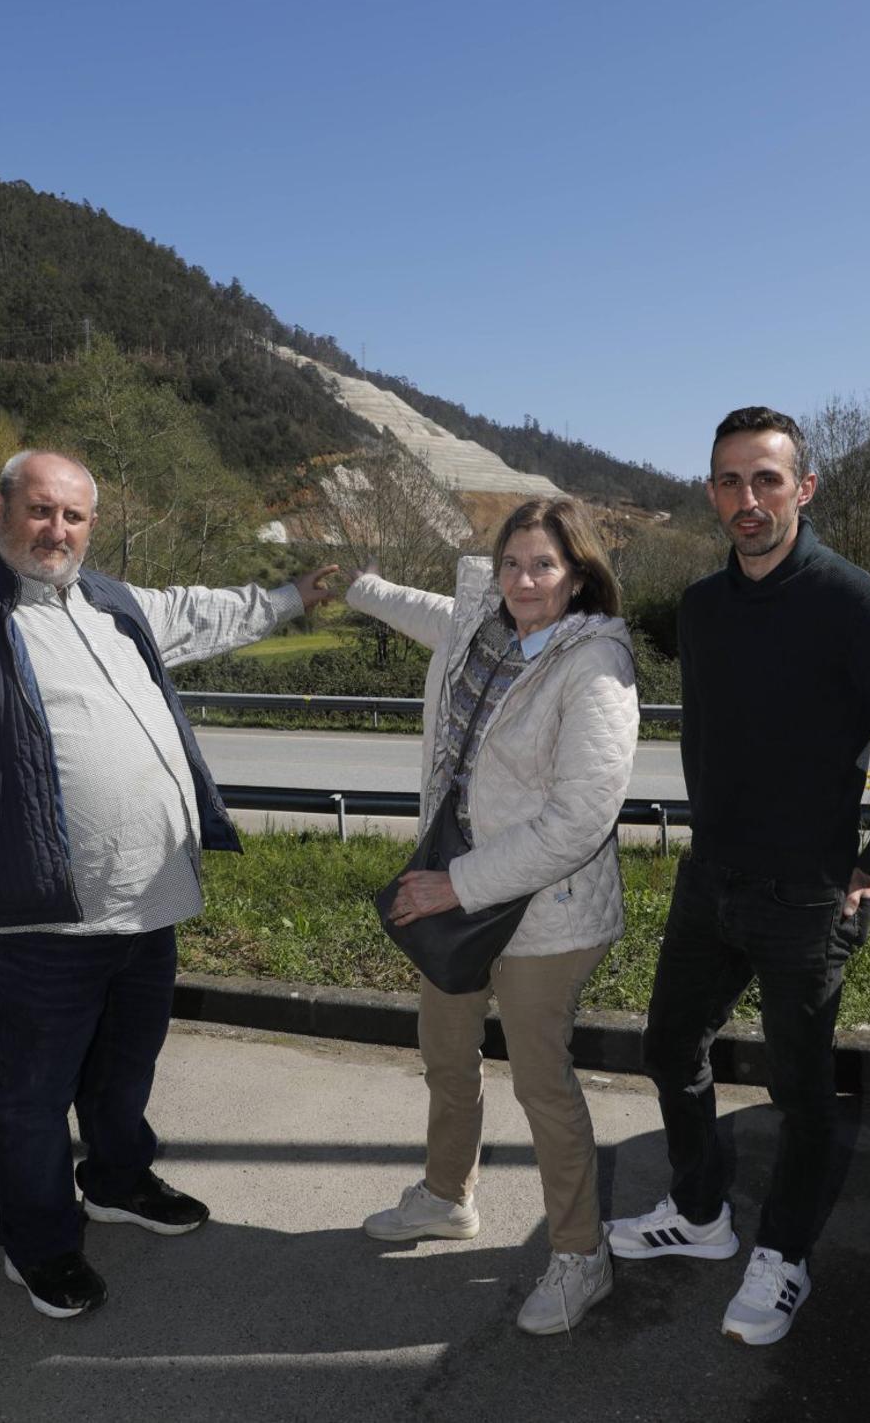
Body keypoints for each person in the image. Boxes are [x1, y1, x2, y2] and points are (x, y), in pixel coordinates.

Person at [0, 449, 337, 1319]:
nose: (57, 530)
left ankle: (117, 1179)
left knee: (123, 1068)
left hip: (146, 903)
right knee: (31, 1093)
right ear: (0, 507)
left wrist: (291, 597)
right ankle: (38, 1244)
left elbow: (200, 612)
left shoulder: (113, 602)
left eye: (74, 516)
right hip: (38, 919)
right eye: (41, 509)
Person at [607, 408, 870, 1345]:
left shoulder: (857, 605)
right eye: (729, 480)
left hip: (808, 895)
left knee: (800, 1093)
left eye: (767, 478)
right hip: (711, 881)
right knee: (668, 1049)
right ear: (711, 493)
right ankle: (701, 1212)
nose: (748, 499)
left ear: (803, 487)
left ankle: (785, 1252)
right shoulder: (700, 607)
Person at [347, 497, 638, 1336]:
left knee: (541, 1082)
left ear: (578, 574)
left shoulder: (596, 666)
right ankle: (447, 1194)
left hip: (547, 908)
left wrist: (455, 886)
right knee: (446, 1048)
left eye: (544, 564)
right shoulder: (485, 630)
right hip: (461, 888)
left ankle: (580, 1253)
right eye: (511, 562)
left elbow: (579, 821)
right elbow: (417, 607)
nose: (523, 580)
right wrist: (349, 584)